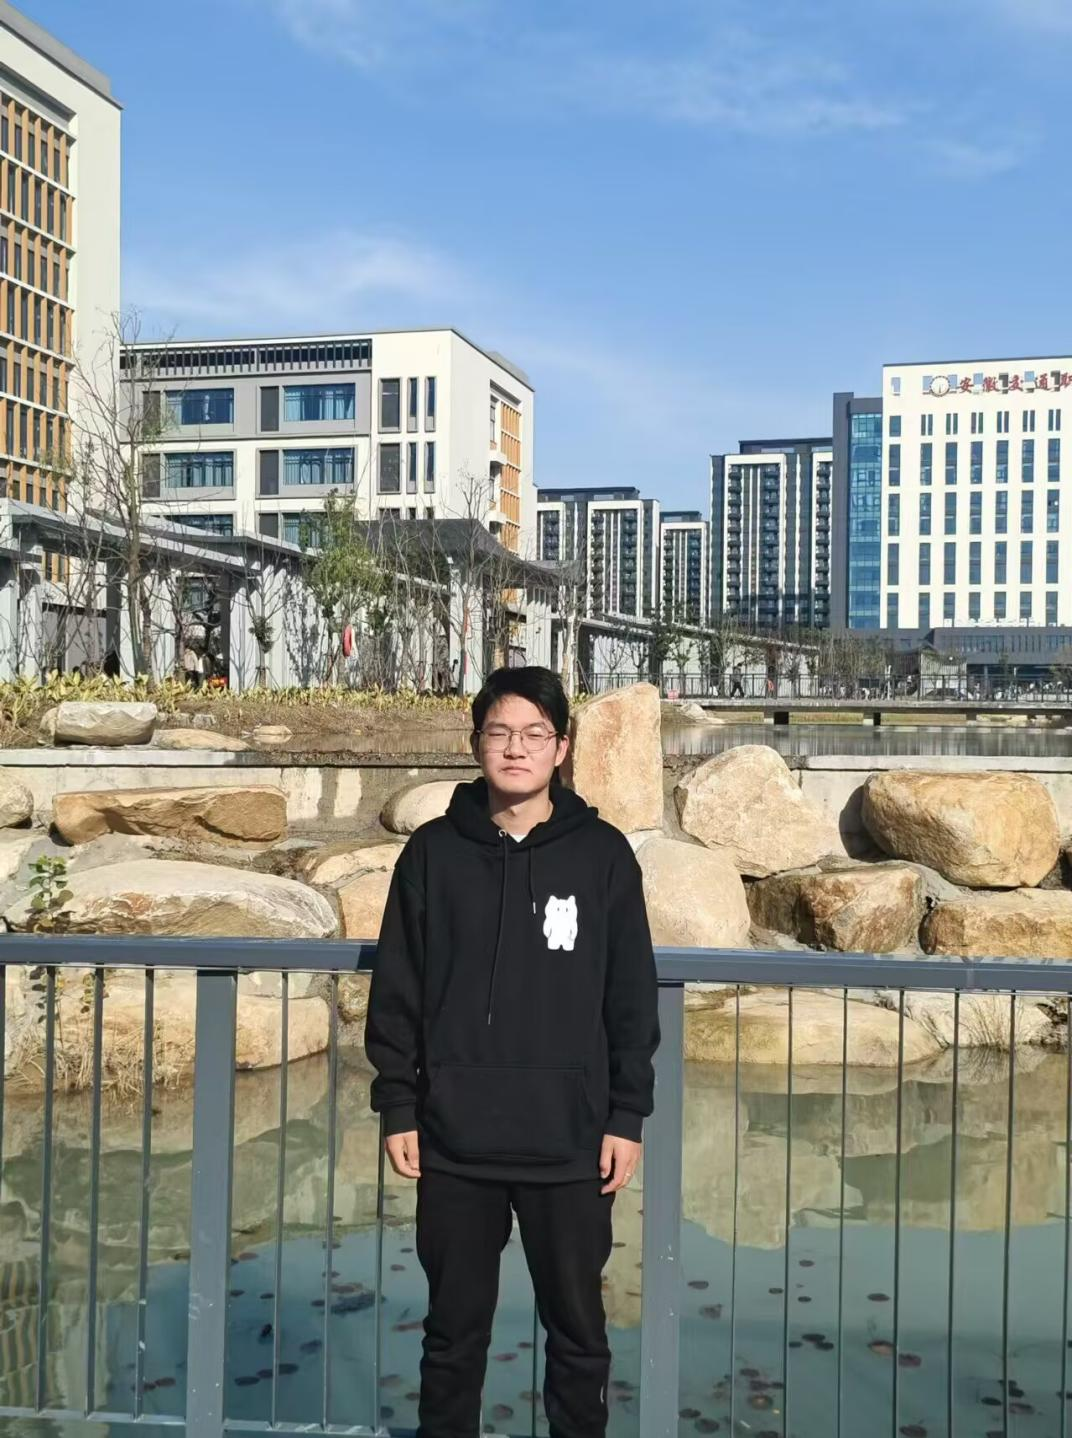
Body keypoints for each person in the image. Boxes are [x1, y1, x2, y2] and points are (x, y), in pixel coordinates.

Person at [365, 665, 660, 1438]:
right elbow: (398, 988)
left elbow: (630, 996)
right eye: (500, 732)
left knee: (579, 1336)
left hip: (570, 1143)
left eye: (535, 734)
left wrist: (627, 1114)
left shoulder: (601, 856)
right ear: (476, 744)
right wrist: (397, 1103)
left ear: (561, 748)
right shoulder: (432, 854)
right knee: (452, 1338)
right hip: (454, 1142)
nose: (516, 748)